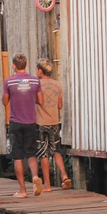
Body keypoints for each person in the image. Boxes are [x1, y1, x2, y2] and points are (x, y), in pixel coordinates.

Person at [2, 53, 44, 198]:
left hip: (16, 122)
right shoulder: (34, 81)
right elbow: (41, 101)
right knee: (31, 154)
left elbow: (5, 101)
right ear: (26, 65)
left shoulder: (9, 82)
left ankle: (22, 191)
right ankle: (34, 177)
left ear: (14, 66)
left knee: (18, 156)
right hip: (31, 122)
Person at [34, 59, 71, 192]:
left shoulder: (36, 85)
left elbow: (36, 101)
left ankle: (48, 186)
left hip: (41, 123)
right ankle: (64, 175)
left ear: (40, 70)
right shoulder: (58, 85)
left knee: (43, 153)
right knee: (56, 151)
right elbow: (60, 105)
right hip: (55, 122)